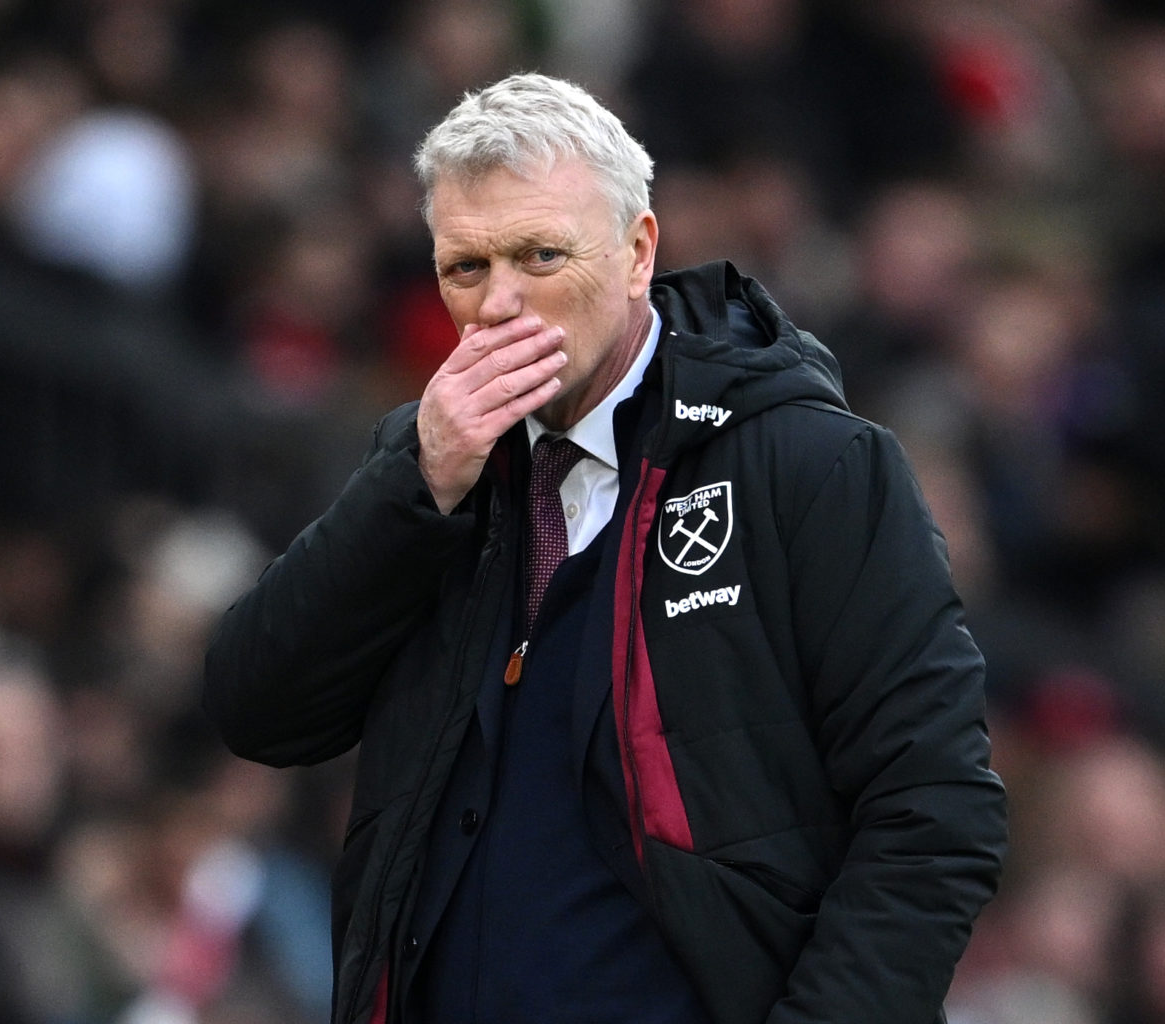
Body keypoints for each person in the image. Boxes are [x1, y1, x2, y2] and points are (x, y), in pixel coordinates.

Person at [203, 73, 1006, 1024]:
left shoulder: (810, 463)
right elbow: (257, 710)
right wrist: (412, 487)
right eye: (465, 267)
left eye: (541, 254)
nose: (500, 303)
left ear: (637, 253)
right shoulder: (423, 475)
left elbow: (934, 809)